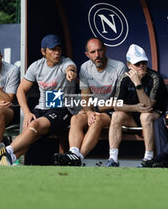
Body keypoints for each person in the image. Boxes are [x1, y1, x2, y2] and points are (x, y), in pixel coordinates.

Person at [0, 34, 77, 165]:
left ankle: (7, 151)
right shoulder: (36, 66)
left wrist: (71, 72)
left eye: (59, 49)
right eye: (53, 49)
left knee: (34, 126)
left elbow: (70, 68)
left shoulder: (65, 62)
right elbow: (21, 90)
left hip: (62, 109)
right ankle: (9, 159)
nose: (57, 53)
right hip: (41, 108)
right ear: (43, 51)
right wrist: (26, 112)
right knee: (30, 132)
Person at [53, 37, 127, 166]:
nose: (97, 55)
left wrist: (95, 111)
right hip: (94, 110)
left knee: (97, 120)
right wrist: (88, 112)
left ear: (105, 50)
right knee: (75, 119)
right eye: (93, 52)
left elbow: (119, 101)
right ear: (87, 54)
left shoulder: (119, 67)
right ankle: (73, 153)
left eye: (99, 51)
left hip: (113, 111)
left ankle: (79, 158)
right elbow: (85, 97)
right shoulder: (85, 68)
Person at [104, 44, 167, 167]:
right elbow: (117, 105)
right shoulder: (124, 78)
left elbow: (148, 106)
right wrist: (134, 108)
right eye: (137, 64)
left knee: (145, 116)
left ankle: (148, 158)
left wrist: (138, 83)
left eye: (143, 62)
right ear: (129, 65)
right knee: (116, 116)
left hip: (155, 115)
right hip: (133, 115)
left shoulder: (154, 77)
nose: (141, 66)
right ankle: (113, 159)